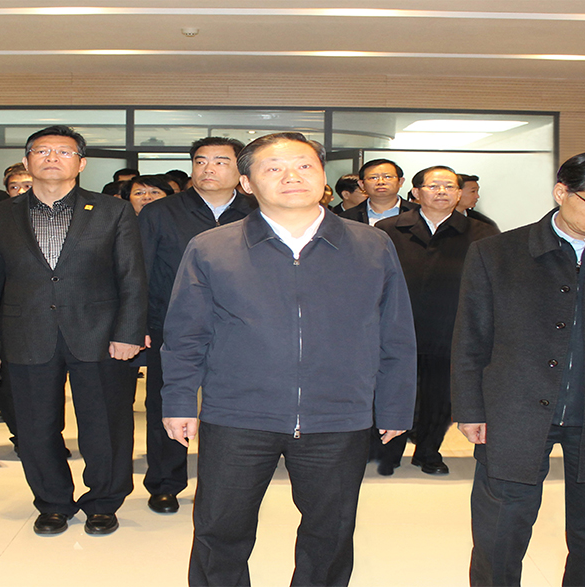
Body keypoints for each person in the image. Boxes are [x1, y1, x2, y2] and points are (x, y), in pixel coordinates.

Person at [161, 132, 416, 586]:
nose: (291, 176)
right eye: (273, 168)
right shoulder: (211, 247)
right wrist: (179, 399)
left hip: (338, 415)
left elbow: (395, 331)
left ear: (323, 177)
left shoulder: (371, 245)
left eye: (304, 165)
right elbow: (186, 334)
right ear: (247, 183)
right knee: (220, 529)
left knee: (330, 532)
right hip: (238, 413)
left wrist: (395, 404)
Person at [0, 125, 147, 536]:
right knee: (34, 426)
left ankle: (103, 502)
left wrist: (129, 332)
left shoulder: (112, 211)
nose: (52, 158)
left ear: (81, 164)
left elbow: (132, 277)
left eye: (64, 152)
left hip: (100, 334)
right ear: (27, 161)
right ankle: (52, 503)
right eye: (42, 151)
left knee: (105, 424)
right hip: (25, 333)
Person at [452, 152, 585, 587]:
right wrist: (470, 408)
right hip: (513, 407)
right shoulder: (497, 253)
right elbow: (471, 337)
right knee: (501, 531)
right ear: (562, 193)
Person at [138, 136, 256, 515]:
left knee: (232, 410)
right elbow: (140, 272)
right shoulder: (161, 213)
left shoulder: (258, 212)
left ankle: (223, 485)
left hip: (241, 330)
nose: (209, 168)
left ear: (241, 170)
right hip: (173, 328)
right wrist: (139, 324)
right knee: (168, 404)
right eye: (201, 161)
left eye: (220, 161)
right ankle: (165, 483)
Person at [375, 166, 499, 477]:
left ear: (459, 194)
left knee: (440, 395)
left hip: (452, 325)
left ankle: (428, 451)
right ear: (416, 192)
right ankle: (388, 451)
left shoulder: (482, 233)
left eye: (449, 186)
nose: (442, 191)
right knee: (395, 388)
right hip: (398, 325)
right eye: (434, 186)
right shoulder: (388, 229)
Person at [340, 158, 416, 225]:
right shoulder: (347, 218)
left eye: (387, 177)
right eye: (373, 178)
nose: (381, 182)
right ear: (362, 184)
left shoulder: (417, 212)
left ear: (400, 182)